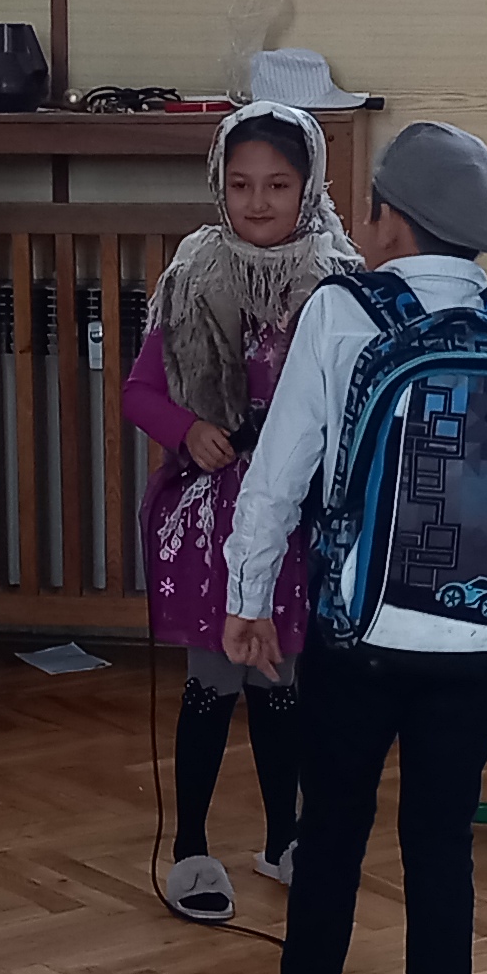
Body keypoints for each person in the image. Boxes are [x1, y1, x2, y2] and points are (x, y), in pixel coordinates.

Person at [212, 122, 487, 974]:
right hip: (475, 642)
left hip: (358, 637)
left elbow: (280, 476)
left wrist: (248, 600)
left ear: (392, 219)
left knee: (332, 833)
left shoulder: (341, 313)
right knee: (441, 843)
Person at [123, 100, 361, 916]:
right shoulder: (193, 274)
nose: (257, 202)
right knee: (212, 682)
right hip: (212, 521)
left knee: (280, 681)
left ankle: (284, 839)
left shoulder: (339, 284)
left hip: (296, 518)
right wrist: (188, 431)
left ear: (310, 186)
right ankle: (190, 849)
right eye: (241, 184)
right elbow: (139, 392)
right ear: (218, 185)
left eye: (278, 185)